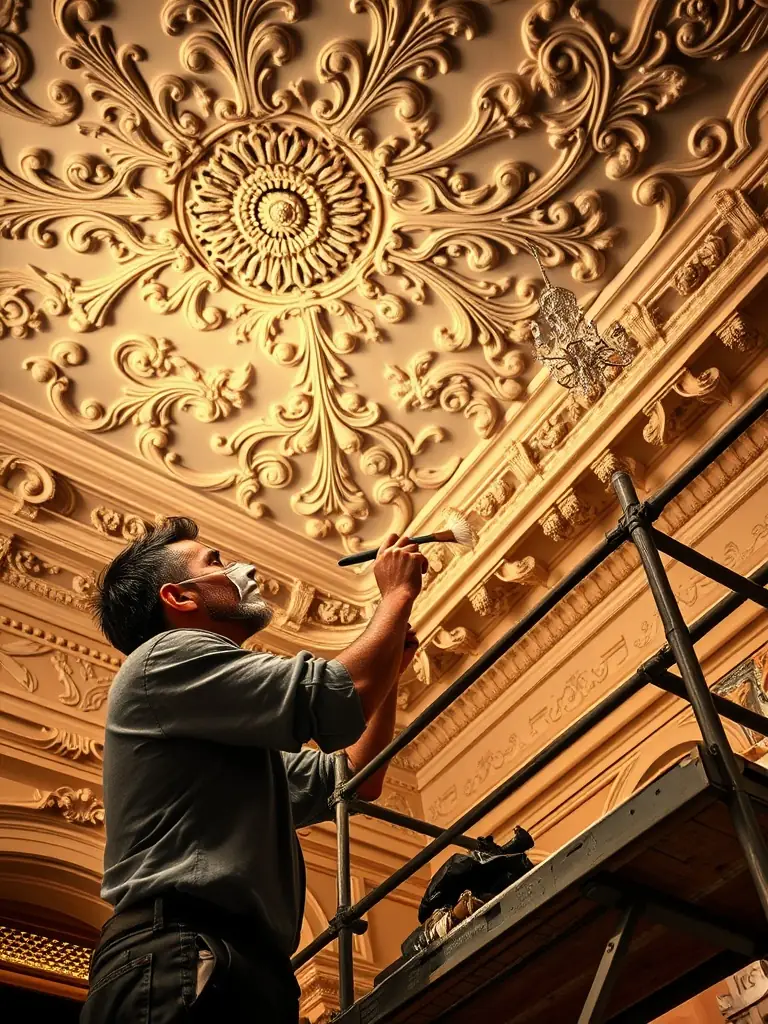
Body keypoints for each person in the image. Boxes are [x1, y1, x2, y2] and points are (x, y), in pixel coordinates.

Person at [81, 516, 426, 1023]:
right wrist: (394, 596)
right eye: (215, 562)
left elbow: (354, 777)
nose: (240, 569)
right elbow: (335, 697)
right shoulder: (163, 656)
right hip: (181, 951)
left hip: (230, 960)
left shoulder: (227, 742)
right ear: (179, 598)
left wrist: (390, 668)